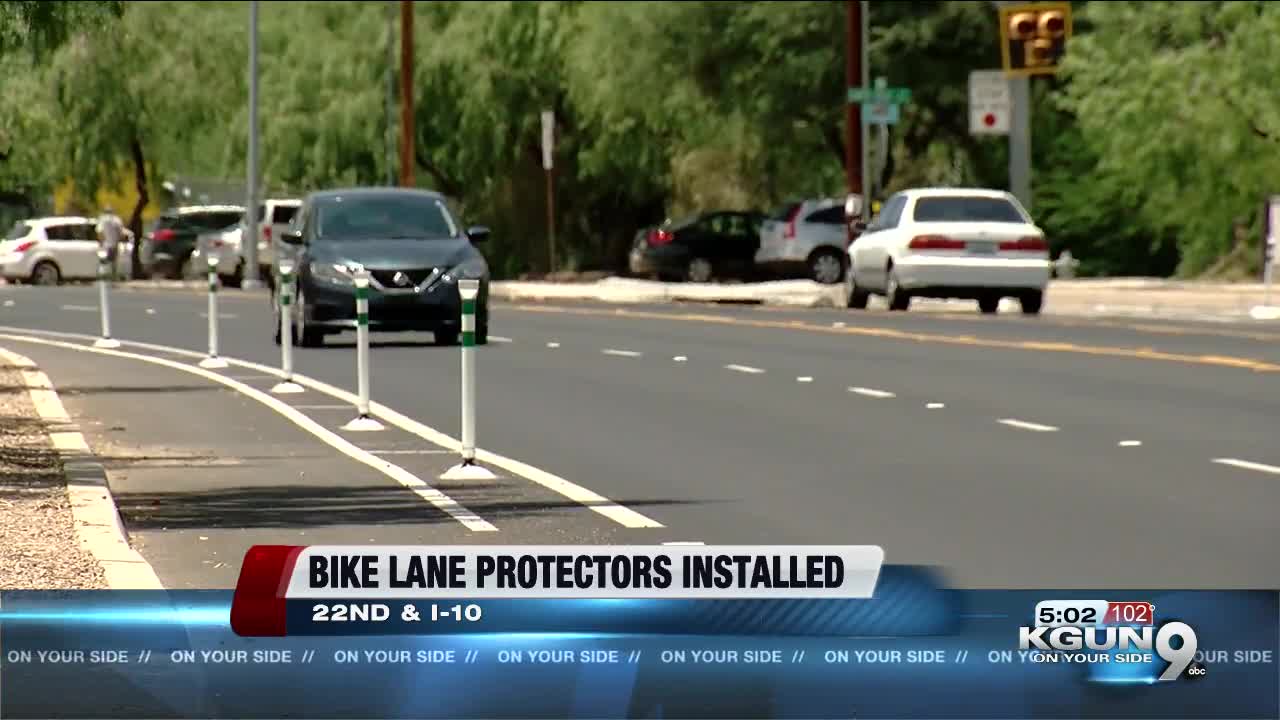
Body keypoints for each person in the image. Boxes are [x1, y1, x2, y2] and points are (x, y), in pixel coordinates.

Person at [96, 206, 125, 280]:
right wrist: (120, 240)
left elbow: (99, 232)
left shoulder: (102, 219)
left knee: (105, 259)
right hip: (114, 243)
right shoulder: (117, 220)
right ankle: (113, 275)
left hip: (106, 243)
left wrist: (100, 241)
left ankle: (104, 274)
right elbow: (121, 232)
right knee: (113, 260)